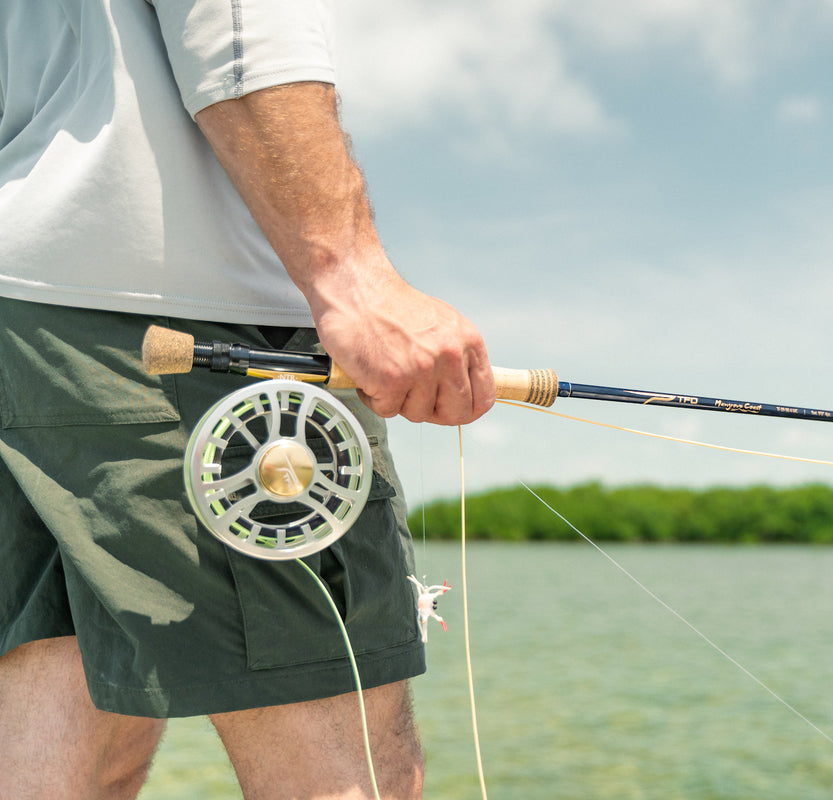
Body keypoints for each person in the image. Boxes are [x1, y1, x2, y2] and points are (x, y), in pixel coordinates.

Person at [0, 1, 493, 798]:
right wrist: (350, 274)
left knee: (59, 741)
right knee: (346, 772)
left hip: (25, 321)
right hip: (200, 307)